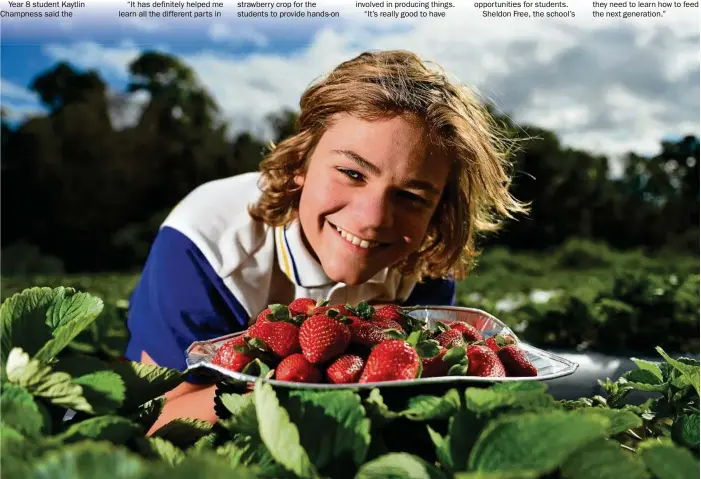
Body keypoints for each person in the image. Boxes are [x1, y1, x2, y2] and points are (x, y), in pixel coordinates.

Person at [124, 49, 527, 434]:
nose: (373, 220)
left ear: (438, 211)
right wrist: (305, 384)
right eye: (352, 173)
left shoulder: (421, 258)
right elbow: (156, 419)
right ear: (300, 162)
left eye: (411, 197)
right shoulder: (205, 243)